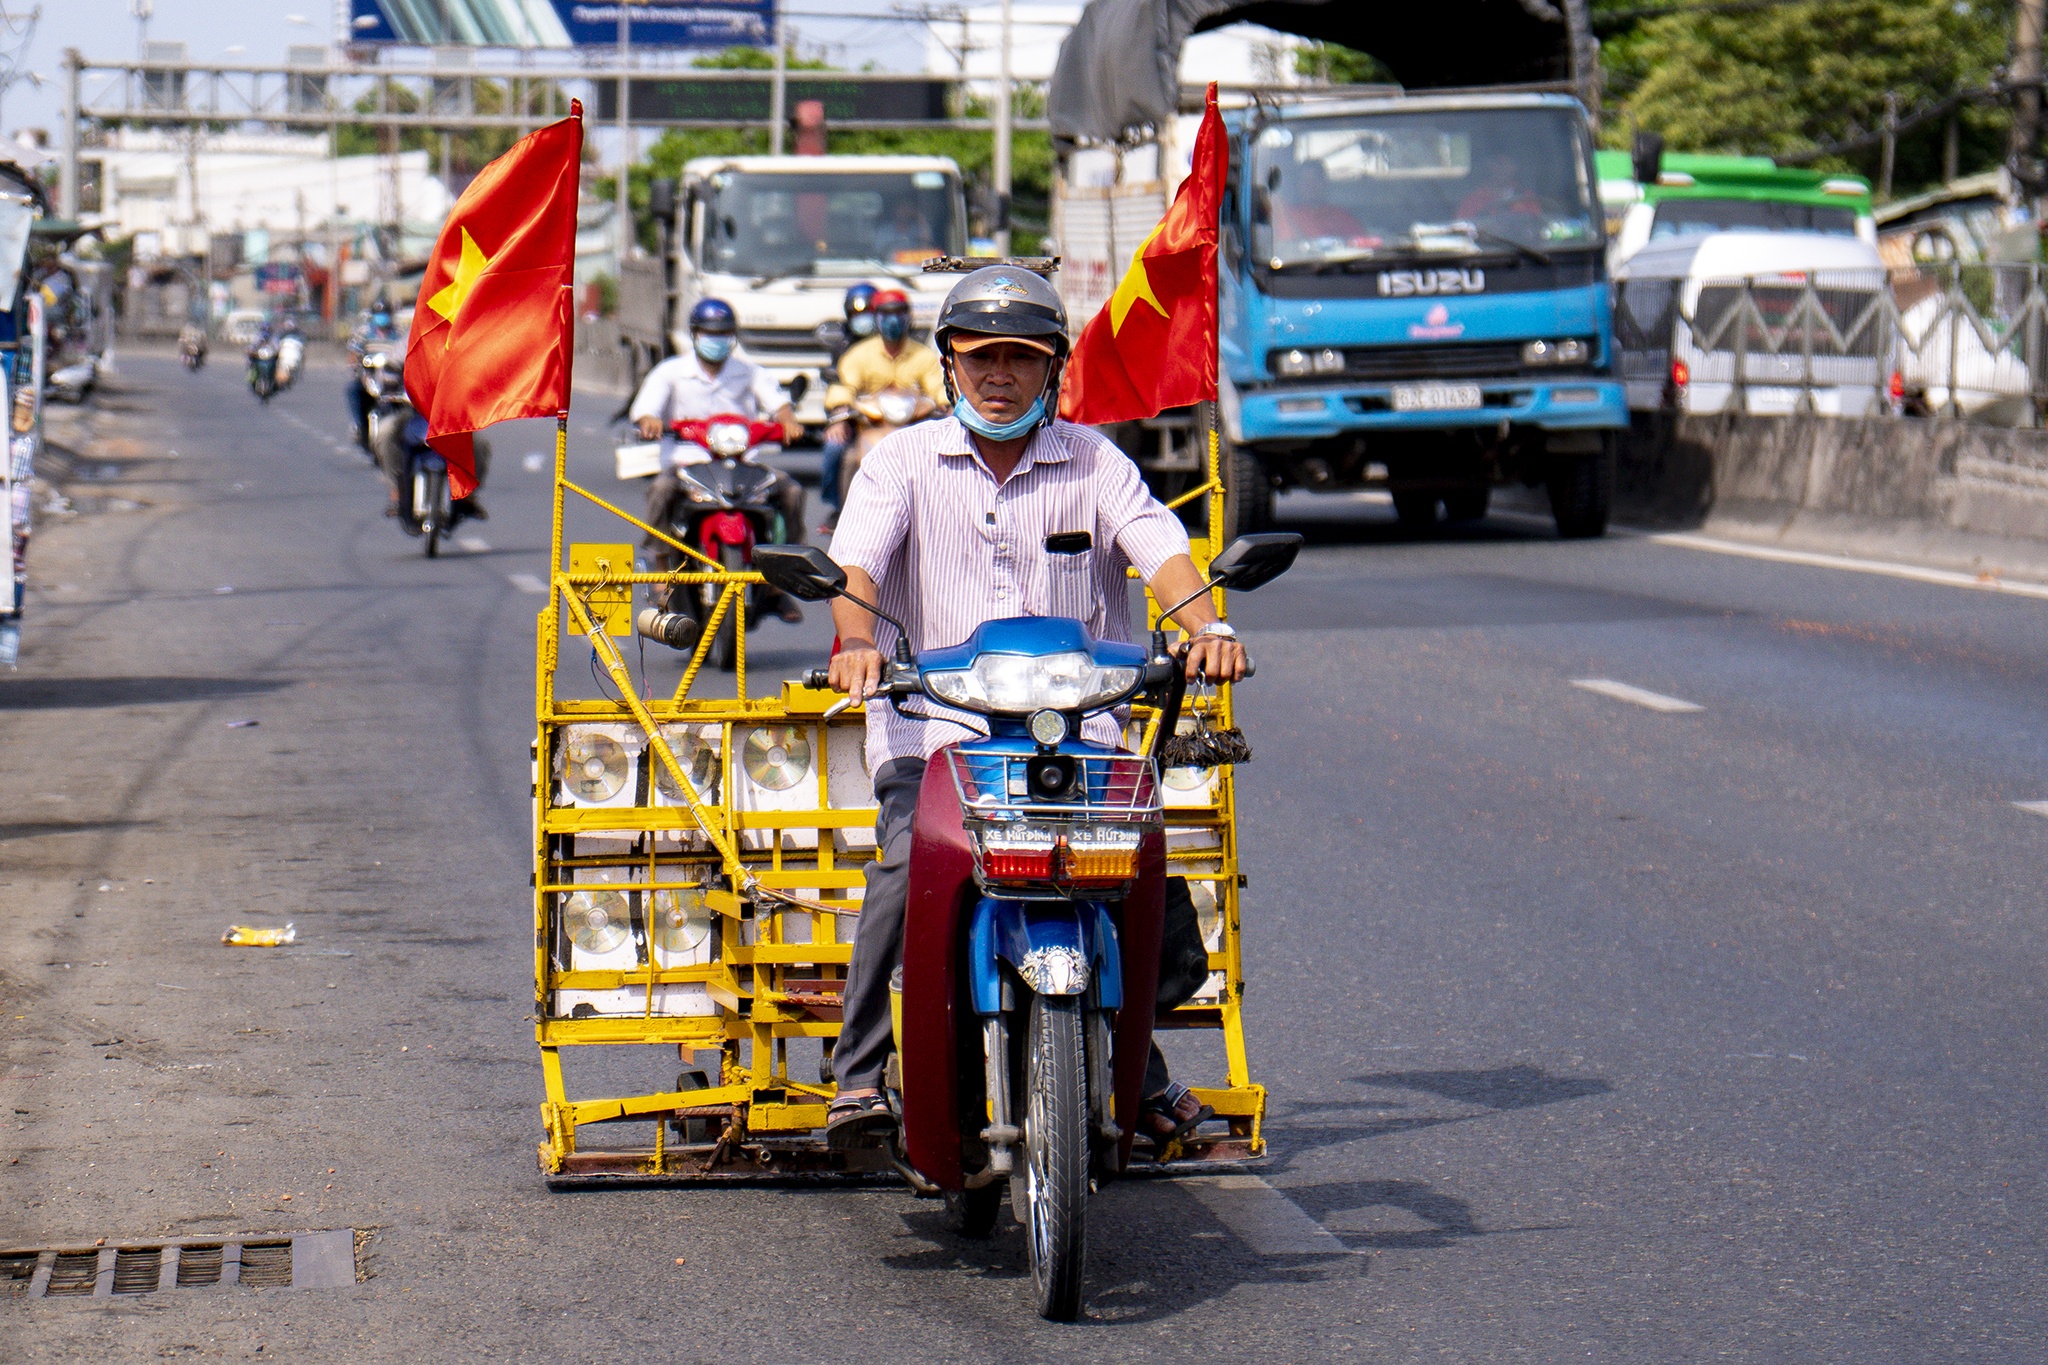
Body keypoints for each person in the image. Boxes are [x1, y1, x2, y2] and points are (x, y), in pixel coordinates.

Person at [819, 265, 1246, 1151]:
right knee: (902, 866)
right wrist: (856, 644)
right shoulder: (900, 461)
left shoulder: (1096, 461)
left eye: (1022, 357)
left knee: (1140, 865)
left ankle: (1140, 1066)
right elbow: (854, 568)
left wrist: (1207, 625)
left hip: (1077, 736)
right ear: (949, 364)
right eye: (983, 358)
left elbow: (1163, 552)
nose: (1001, 375)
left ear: (1053, 367)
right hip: (937, 733)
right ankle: (858, 1077)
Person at [630, 297, 806, 622]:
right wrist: (650, 422)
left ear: (733, 337)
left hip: (743, 464)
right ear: (695, 335)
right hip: (688, 464)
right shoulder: (671, 372)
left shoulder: (749, 372)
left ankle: (781, 582)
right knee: (661, 490)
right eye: (710, 333)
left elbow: (778, 404)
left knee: (791, 491)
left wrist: (788, 420)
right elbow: (646, 409)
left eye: (724, 333)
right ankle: (659, 572)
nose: (717, 339)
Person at [817, 288, 947, 535]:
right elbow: (844, 386)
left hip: (912, 427)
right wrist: (840, 415)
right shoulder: (858, 355)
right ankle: (839, 510)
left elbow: (938, 387)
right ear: (876, 317)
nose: (893, 320)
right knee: (837, 452)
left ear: (908, 317)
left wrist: (947, 407)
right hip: (869, 425)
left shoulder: (924, 356)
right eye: (886, 314)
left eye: (899, 313)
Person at [345, 301, 401, 444]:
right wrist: (359, 369)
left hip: (391, 378)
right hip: (368, 376)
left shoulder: (398, 333)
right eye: (379, 314)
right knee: (352, 390)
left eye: (384, 314)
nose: (382, 317)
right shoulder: (364, 332)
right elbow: (354, 353)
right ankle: (358, 425)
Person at [873, 199, 936, 263]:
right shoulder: (884, 231)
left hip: (915, 268)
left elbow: (928, 247)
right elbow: (878, 254)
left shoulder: (918, 229)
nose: (904, 212)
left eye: (907, 209)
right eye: (901, 209)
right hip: (889, 269)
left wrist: (920, 217)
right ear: (894, 211)